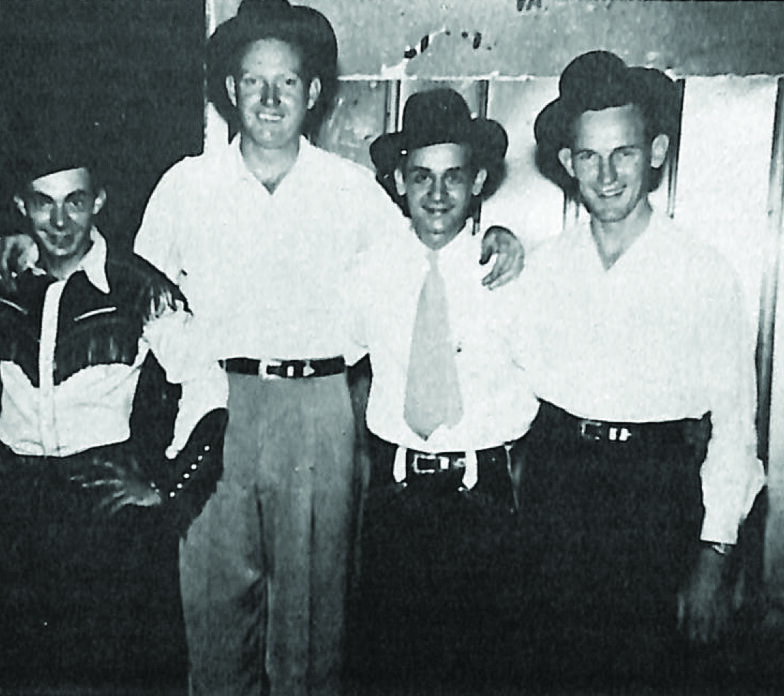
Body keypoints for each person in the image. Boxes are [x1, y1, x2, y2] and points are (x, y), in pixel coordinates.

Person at [130, 2, 525, 694]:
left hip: (320, 409)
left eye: (288, 82)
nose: (271, 98)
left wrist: (501, 237)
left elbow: (432, 252)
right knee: (215, 612)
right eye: (254, 82)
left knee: (312, 622)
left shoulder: (353, 193)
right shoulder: (184, 187)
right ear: (229, 90)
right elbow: (140, 296)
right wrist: (194, 374)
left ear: (314, 94)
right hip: (214, 406)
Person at [0, 122, 228, 685]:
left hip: (103, 519)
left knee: (107, 674)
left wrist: (167, 485)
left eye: (75, 201)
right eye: (44, 204)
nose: (60, 222)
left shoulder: (139, 287)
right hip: (15, 514)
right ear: (21, 206)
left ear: (98, 200)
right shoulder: (1, 285)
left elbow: (207, 386)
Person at [512, 50, 766, 688]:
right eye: (589, 157)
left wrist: (714, 553)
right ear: (568, 164)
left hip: (656, 500)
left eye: (623, 152)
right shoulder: (541, 270)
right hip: (558, 493)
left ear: (655, 152)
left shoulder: (702, 272)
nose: (607, 174)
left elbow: (734, 425)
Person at [343, 87, 538, 694]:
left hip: (483, 505)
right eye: (422, 176)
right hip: (396, 502)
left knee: (481, 672)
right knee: (390, 672)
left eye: (454, 177)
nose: (437, 193)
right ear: (398, 180)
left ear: (479, 180)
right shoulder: (369, 270)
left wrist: (512, 239)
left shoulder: (508, 271)